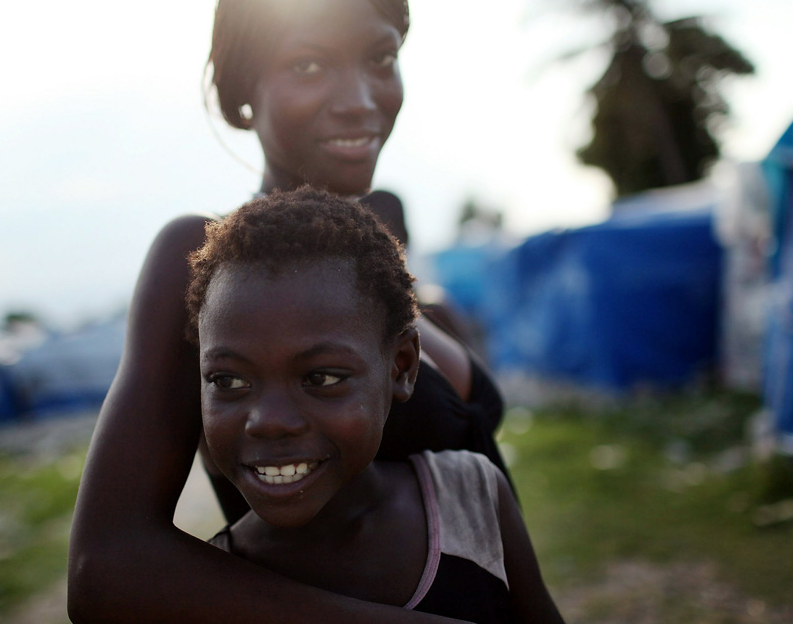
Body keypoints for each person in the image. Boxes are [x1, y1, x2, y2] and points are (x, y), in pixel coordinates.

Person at [68, 0, 514, 622]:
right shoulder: (207, 267)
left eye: (380, 59)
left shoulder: (381, 279)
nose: (360, 100)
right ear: (242, 91)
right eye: (308, 64)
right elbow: (104, 569)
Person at [190, 188, 563, 623]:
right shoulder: (210, 586)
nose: (269, 422)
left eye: (321, 378)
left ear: (401, 367)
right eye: (229, 380)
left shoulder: (472, 497)